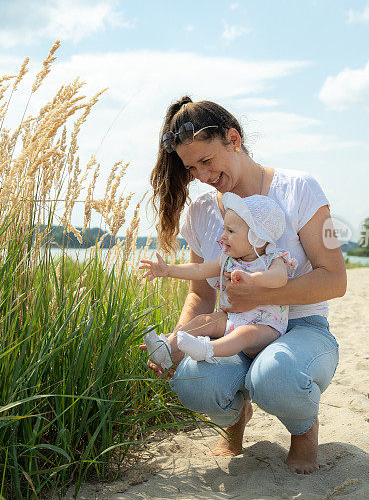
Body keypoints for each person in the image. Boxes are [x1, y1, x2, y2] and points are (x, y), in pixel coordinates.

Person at [142, 96, 346, 473]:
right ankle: (235, 417)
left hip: (301, 328)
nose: (202, 176)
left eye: (207, 161)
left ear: (233, 139)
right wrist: (179, 341)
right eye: (192, 168)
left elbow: (335, 279)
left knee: (275, 376)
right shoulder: (201, 213)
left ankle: (304, 430)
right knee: (191, 380)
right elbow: (200, 293)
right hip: (232, 325)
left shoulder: (300, 189)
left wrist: (263, 291)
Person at [139, 192, 298, 367]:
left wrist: (253, 278)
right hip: (232, 320)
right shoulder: (227, 259)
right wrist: (168, 270)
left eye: (230, 231)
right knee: (203, 321)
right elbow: (199, 269)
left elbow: (279, 278)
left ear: (256, 237)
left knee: (244, 333)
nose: (223, 235)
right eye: (224, 229)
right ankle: (165, 349)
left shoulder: (273, 258)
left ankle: (207, 349)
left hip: (265, 328)